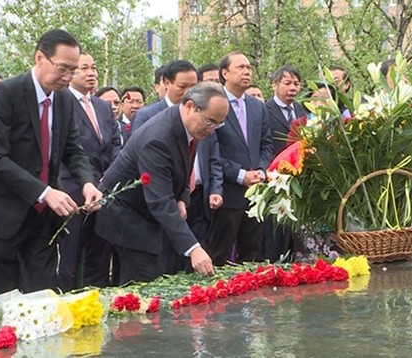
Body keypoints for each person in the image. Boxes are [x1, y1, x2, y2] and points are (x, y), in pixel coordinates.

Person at [0, 29, 103, 298]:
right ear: (40, 57)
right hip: (0, 213)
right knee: (5, 299)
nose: (67, 76)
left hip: (41, 219)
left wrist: (87, 183)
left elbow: (73, 150)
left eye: (72, 70)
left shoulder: (63, 99)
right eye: (63, 68)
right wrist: (45, 192)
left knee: (43, 296)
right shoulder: (6, 93)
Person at [95, 82, 225, 284]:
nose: (212, 129)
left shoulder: (190, 126)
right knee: (145, 283)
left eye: (218, 124)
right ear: (190, 106)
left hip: (147, 214)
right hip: (127, 216)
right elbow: (160, 202)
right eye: (210, 122)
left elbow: (184, 168)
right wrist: (194, 249)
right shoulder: (158, 139)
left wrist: (182, 199)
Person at [58, 51, 120, 290]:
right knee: (71, 257)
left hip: (105, 190)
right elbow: (67, 150)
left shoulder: (102, 107)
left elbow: (116, 144)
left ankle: (97, 302)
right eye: (84, 68)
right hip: (73, 191)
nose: (91, 73)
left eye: (93, 68)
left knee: (101, 254)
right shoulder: (62, 103)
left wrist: (108, 178)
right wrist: (87, 181)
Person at [208, 51, 273, 266]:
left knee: (253, 256)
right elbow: (212, 151)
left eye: (249, 67)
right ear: (224, 73)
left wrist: (261, 171)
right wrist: (239, 174)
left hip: (256, 195)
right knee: (219, 255)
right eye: (240, 67)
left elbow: (266, 145)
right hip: (226, 193)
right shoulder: (213, 104)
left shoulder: (258, 107)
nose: (246, 72)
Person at [264, 65, 307, 261]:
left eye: (296, 84)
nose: (293, 88)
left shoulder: (302, 110)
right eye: (287, 83)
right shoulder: (264, 110)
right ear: (275, 85)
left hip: (299, 179)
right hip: (274, 177)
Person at [131, 60, 198, 133]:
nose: (188, 92)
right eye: (182, 87)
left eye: (193, 87)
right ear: (167, 83)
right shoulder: (147, 116)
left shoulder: (202, 115)